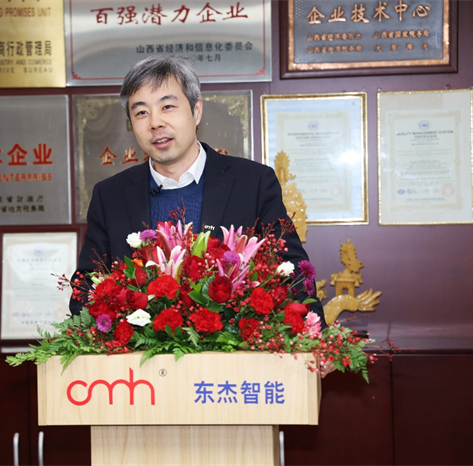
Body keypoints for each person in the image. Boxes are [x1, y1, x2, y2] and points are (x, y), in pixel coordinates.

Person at [70, 55, 325, 328]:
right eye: (141, 112)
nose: (155, 123)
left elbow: (292, 274)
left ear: (197, 110)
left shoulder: (253, 183)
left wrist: (313, 335)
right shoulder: (110, 196)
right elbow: (86, 288)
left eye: (168, 106)